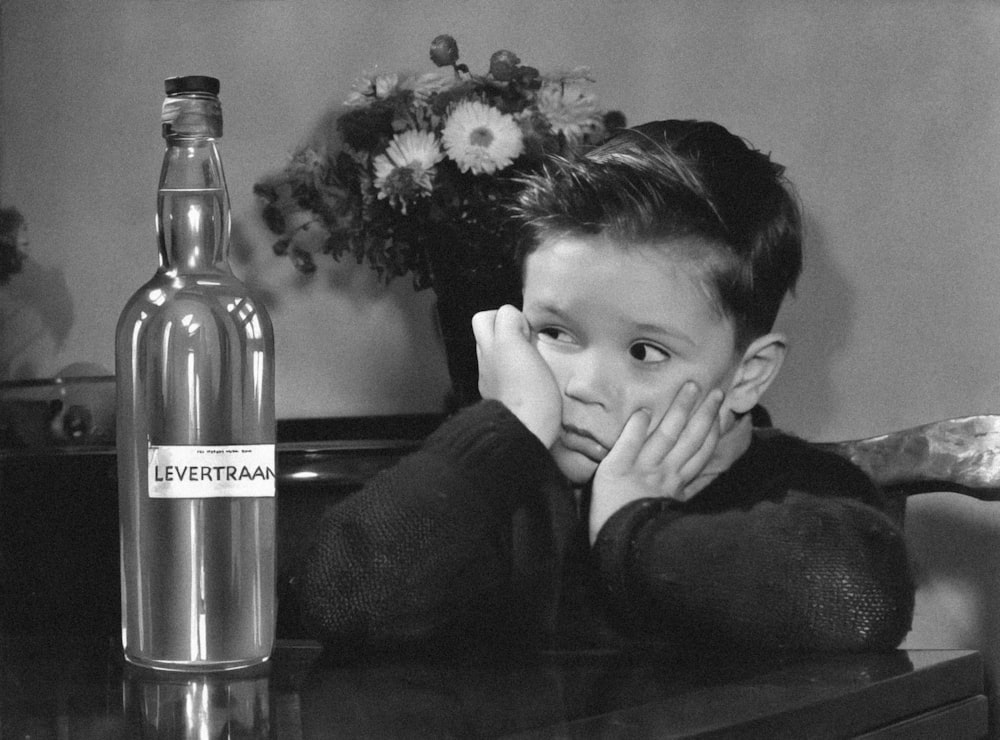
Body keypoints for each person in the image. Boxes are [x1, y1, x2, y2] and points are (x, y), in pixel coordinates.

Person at [294, 120, 914, 655]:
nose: (581, 387)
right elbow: (337, 599)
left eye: (646, 351)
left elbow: (856, 600)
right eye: (555, 333)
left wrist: (631, 529)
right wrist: (500, 431)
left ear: (748, 374)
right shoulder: (497, 493)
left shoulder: (799, 490)